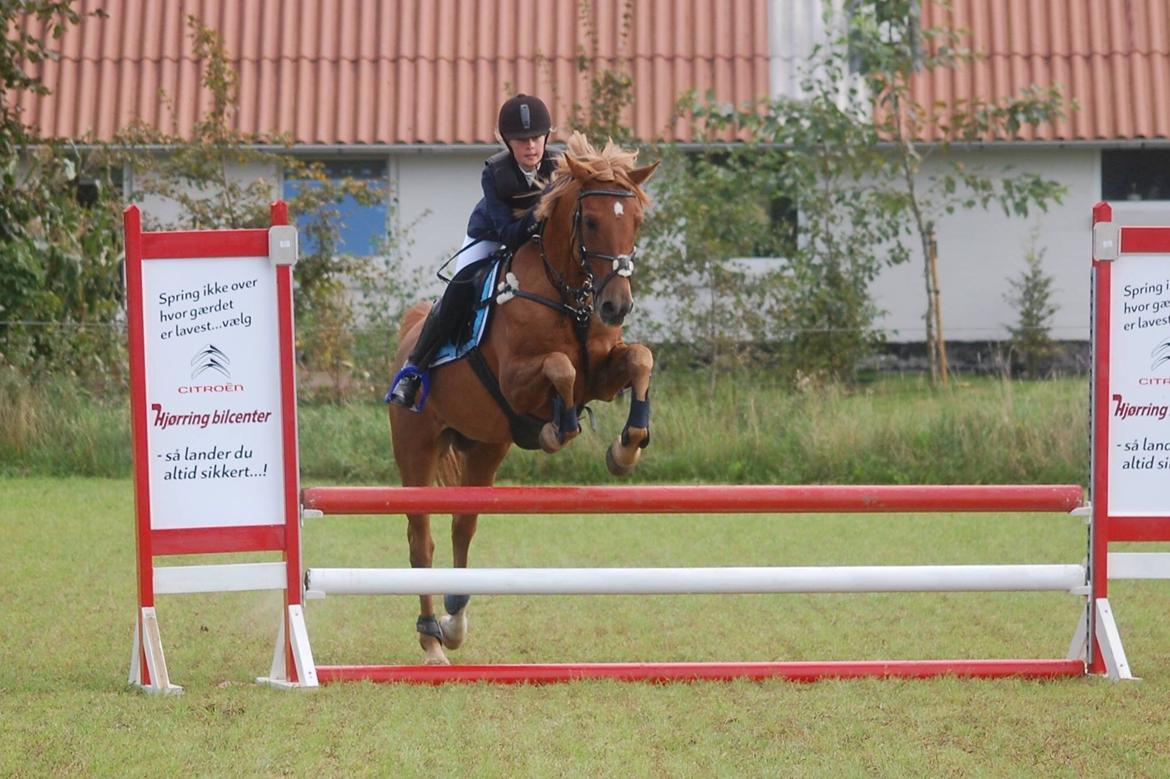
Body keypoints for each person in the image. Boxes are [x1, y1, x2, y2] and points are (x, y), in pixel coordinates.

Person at [387, 94, 560, 410]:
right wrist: (543, 207)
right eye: (521, 140)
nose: (531, 146)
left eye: (536, 137)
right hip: (491, 237)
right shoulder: (494, 173)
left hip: (540, 243)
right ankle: (413, 370)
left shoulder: (560, 166)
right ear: (507, 141)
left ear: (547, 136)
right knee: (461, 286)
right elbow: (508, 233)